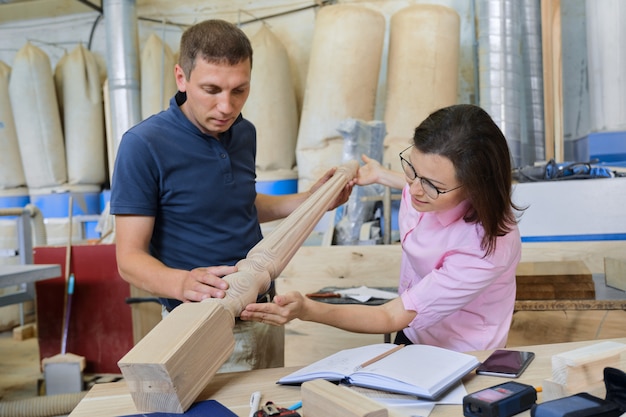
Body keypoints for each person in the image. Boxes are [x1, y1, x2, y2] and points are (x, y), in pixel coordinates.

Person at [110, 19, 354, 372]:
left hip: (264, 312)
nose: (226, 106)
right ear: (182, 78)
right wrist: (180, 282)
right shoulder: (144, 145)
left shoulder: (243, 133)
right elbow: (129, 259)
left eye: (239, 90)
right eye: (211, 90)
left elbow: (241, 203)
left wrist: (311, 200)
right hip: (201, 324)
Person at [241, 104, 525, 353]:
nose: (414, 190)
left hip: (463, 353)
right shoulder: (427, 189)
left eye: (431, 185)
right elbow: (422, 183)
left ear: (475, 189)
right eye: (411, 169)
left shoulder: (484, 248)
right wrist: (381, 175)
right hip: (415, 331)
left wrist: (307, 309)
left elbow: (390, 317)